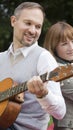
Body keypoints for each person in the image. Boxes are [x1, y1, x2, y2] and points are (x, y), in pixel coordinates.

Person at [0, 2, 66, 130]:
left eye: (38, 26)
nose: (32, 31)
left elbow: (60, 112)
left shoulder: (44, 58)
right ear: (14, 21)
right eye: (28, 23)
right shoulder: (1, 57)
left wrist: (44, 94)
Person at [44, 21, 73, 130]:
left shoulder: (69, 67)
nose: (71, 47)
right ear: (54, 48)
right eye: (64, 44)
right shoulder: (58, 71)